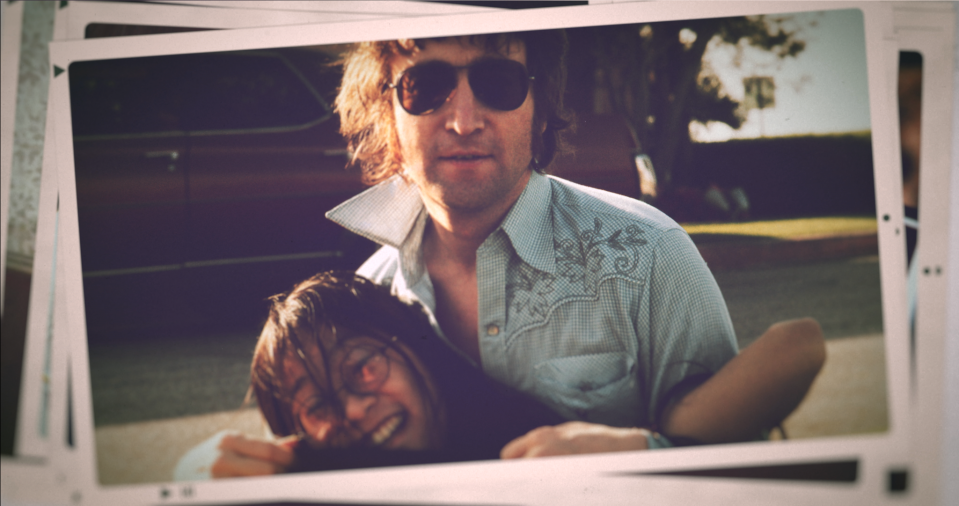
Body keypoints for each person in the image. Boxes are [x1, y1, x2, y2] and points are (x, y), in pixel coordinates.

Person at [325, 29, 738, 455]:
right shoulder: (368, 296)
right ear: (388, 114)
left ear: (541, 110)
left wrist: (637, 454)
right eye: (425, 87)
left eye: (499, 84)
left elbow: (743, 458)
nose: (464, 122)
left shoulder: (650, 255)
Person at [202, 272, 824, 478]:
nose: (354, 410)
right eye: (316, 405)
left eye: (362, 369)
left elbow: (800, 344)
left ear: (412, 346)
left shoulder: (529, 447)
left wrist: (641, 446)